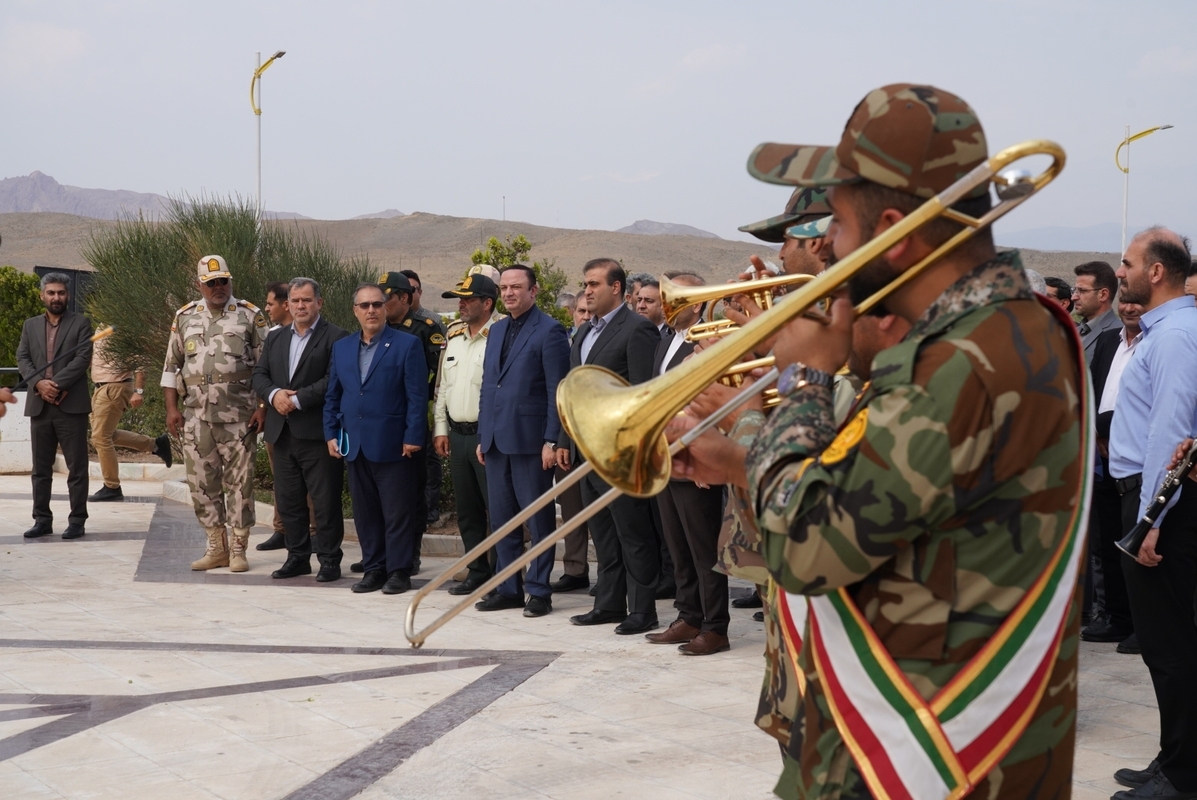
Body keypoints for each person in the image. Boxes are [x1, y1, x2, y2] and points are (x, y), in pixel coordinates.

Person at [673, 84, 1085, 797]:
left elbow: (807, 547)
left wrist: (803, 375)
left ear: (893, 229)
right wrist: (753, 451)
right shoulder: (994, 333)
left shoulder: (966, 363)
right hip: (919, 734)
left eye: (833, 222)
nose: (825, 245)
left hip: (920, 752)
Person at [1107, 227, 1197, 798]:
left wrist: (1151, 521)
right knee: (1167, 646)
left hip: (1159, 504)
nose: (1122, 272)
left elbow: (1171, 429)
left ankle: (1182, 776)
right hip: (1152, 497)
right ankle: (1174, 758)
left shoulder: (1174, 336)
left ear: (1156, 271)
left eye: (1127, 262)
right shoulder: (1169, 330)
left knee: (1169, 647)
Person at [560, 258, 663, 634]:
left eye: (594, 284)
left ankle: (642, 610)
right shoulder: (584, 332)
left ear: (616, 287)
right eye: (585, 284)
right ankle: (609, 603)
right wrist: (564, 440)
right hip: (587, 450)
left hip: (620, 452)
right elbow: (573, 392)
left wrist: (634, 449)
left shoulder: (637, 329)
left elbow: (641, 396)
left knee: (633, 533)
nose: (587, 291)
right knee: (603, 532)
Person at [473, 265, 570, 617]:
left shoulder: (550, 331)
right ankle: (508, 588)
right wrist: (484, 435)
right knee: (502, 520)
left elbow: (555, 391)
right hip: (497, 441)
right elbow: (488, 386)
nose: (509, 293)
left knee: (538, 520)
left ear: (534, 290)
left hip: (532, 443)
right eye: (504, 288)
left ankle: (539, 590)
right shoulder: (496, 331)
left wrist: (550, 439)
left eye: (516, 287)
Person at [162, 256, 267, 572]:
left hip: (240, 417)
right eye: (211, 283)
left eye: (224, 281)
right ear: (199, 285)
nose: (219, 287)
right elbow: (171, 366)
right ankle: (216, 546)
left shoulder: (250, 316)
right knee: (202, 484)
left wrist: (263, 407)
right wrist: (171, 409)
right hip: (197, 417)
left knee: (240, 484)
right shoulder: (185, 317)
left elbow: (268, 366)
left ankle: (238, 548)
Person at [644, 272, 730, 655]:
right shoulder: (665, 339)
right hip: (667, 455)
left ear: (695, 304)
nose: (665, 304)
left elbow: (716, 402)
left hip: (697, 457)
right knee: (678, 545)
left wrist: (705, 458)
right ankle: (689, 615)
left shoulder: (712, 340)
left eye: (672, 298)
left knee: (704, 548)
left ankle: (716, 626)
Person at [325, 283, 427, 594]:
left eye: (377, 305)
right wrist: (330, 433)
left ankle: (399, 571)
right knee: (366, 513)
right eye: (365, 305)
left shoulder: (406, 345)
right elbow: (334, 395)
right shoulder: (342, 348)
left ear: (385, 309)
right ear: (355, 311)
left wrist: (413, 436)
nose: (372, 310)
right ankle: (374, 569)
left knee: (397, 513)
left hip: (394, 444)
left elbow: (417, 396)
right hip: (354, 444)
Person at [252, 277, 349, 582]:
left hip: (317, 432)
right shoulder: (276, 338)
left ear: (319, 303)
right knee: (289, 500)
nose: (301, 306)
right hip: (282, 433)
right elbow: (259, 374)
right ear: (288, 304)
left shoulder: (336, 337)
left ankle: (330, 560)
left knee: (325, 502)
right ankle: (297, 558)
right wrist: (274, 395)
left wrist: (297, 400)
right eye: (295, 301)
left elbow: (334, 379)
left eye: (307, 300)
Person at [433, 273, 502, 597]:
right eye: (459, 299)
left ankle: (505, 574)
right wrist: (441, 428)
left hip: (486, 437)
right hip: (458, 437)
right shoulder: (455, 336)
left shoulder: (500, 335)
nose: (460, 304)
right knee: (468, 511)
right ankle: (477, 570)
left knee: (498, 509)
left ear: (487, 303)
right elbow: (444, 388)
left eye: (467, 299)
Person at [1081, 301, 1143, 652]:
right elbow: (1092, 390)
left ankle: (1141, 624)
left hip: (1136, 455)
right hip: (1104, 456)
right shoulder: (1107, 341)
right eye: (1125, 302)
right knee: (1107, 542)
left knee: (1136, 543)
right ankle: (1116, 618)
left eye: (1137, 303)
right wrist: (1097, 431)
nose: (1129, 308)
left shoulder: (1157, 342)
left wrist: (1108, 428)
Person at [17, 273, 94, 540]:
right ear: (42, 296)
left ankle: (77, 521)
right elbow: (23, 357)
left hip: (70, 406)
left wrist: (54, 384)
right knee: (40, 468)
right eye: (51, 293)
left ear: (68, 296)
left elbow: (83, 358)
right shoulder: (30, 325)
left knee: (77, 467)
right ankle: (42, 520)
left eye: (61, 293)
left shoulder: (81, 323)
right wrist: (39, 384)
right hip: (40, 406)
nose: (56, 297)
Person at [87, 333, 172, 503]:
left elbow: (141, 360)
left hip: (114, 387)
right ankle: (156, 444)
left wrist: (138, 391)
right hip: (101, 388)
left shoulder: (121, 325)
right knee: (106, 435)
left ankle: (112, 487)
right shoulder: (102, 326)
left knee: (101, 437)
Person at [553, 293, 594, 593]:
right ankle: (576, 569)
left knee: (603, 514)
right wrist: (559, 441)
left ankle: (609, 573)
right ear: (572, 314)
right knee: (572, 509)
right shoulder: (566, 345)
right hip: (568, 439)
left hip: (598, 441)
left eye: (590, 311)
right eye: (581, 311)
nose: (585, 316)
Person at [400, 269, 447, 527]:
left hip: (425, 401)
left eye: (413, 290)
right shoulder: (387, 321)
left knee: (428, 458)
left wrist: (425, 397)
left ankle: (431, 507)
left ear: (419, 293)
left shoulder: (431, 323)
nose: (408, 295)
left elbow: (437, 368)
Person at [257, 280, 302, 551]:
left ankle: (312, 530)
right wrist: (264, 407)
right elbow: (262, 375)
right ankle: (281, 529)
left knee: (307, 481)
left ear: (286, 305)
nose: (266, 308)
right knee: (281, 479)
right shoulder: (273, 336)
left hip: (304, 419)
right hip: (276, 419)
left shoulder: (314, 335)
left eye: (271, 303)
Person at [1072, 260, 1121, 362]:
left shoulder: (1120, 334)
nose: (1074, 297)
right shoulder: (1073, 332)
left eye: (1082, 291)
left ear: (1103, 295)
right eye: (1074, 290)